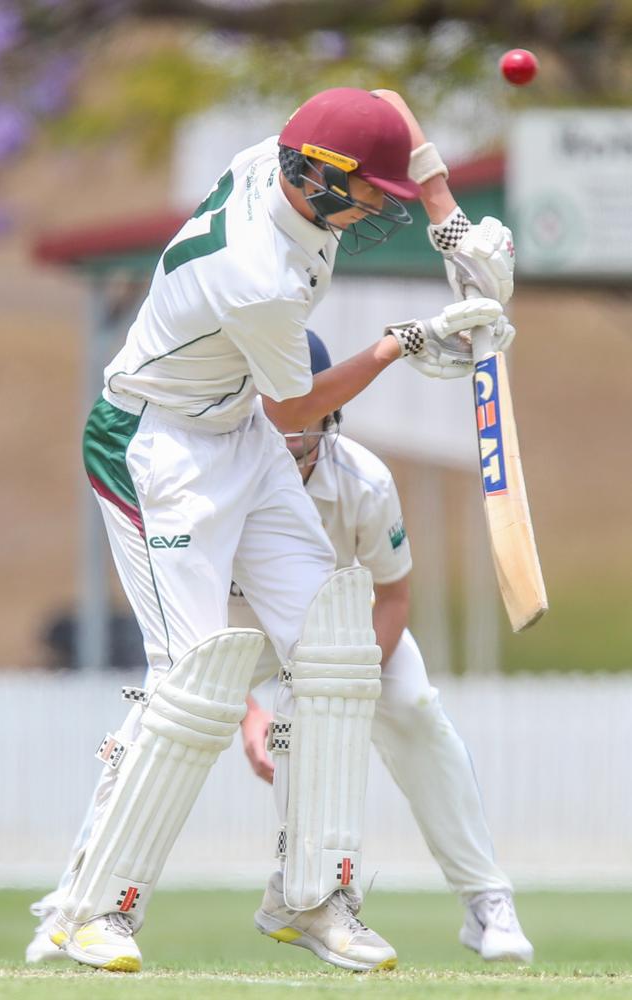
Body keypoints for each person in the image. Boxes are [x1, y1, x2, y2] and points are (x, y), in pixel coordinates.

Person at [39, 86, 518, 973]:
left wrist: (453, 226)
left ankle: (312, 896)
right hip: (157, 449)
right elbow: (294, 401)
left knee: (335, 653)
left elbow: (384, 104)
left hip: (241, 438)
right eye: (369, 191)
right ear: (317, 177)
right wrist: (408, 343)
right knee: (195, 686)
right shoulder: (255, 272)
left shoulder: (284, 154)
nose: (379, 203)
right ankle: (88, 910)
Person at [238, 330, 533, 964]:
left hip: (347, 634)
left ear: (329, 409)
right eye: (274, 409)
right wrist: (249, 711)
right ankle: (90, 901)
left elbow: (393, 597)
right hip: (244, 632)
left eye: (304, 414)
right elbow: (190, 617)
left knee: (419, 713)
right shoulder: (223, 476)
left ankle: (485, 901)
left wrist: (350, 688)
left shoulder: (364, 481)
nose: (289, 435)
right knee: (165, 714)